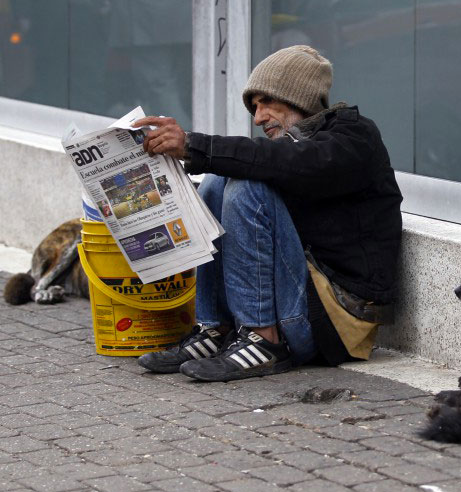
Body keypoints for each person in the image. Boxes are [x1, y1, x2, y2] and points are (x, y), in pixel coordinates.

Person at [134, 45, 402, 382]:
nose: (258, 118)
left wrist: (192, 144)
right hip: (303, 303)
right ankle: (216, 328)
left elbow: (291, 162)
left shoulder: (354, 137)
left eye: (266, 103)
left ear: (299, 99)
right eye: (254, 107)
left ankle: (265, 340)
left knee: (248, 188)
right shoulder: (293, 145)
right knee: (218, 181)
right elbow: (274, 160)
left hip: (337, 323)